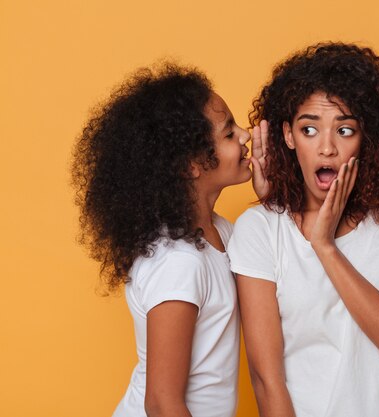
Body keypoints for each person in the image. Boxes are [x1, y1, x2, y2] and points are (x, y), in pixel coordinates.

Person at [227, 43, 379, 417]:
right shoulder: (259, 230)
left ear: (368, 138)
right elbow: (267, 379)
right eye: (309, 129)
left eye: (345, 130)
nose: (327, 148)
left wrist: (324, 246)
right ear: (288, 135)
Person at [71, 63, 268, 417]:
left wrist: (270, 198)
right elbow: (162, 404)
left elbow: (268, 280)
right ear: (191, 165)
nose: (245, 134)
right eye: (227, 134)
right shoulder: (179, 263)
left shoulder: (221, 232)